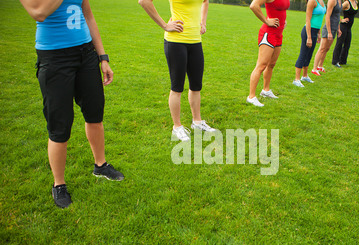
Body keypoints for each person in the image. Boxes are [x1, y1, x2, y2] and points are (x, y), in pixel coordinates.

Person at [19, 0, 124, 209]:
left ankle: (100, 165)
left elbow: (88, 15)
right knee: (60, 125)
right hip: (55, 58)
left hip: (86, 55)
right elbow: (38, 12)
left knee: (95, 114)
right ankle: (59, 184)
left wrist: (102, 56)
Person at [139, 0, 215, 142]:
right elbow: (144, 1)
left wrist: (203, 22)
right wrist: (165, 25)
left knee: (196, 86)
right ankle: (177, 127)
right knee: (177, 87)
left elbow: (205, 1)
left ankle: (197, 122)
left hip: (195, 42)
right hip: (176, 42)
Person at [247, 0, 290, 107]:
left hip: (278, 34)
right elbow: (253, 6)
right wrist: (267, 21)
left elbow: (281, 9)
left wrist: (284, 20)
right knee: (261, 66)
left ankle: (265, 90)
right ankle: (251, 97)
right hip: (268, 33)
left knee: (271, 64)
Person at [293, 0, 326, 87]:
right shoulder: (312, 1)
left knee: (309, 55)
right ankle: (296, 79)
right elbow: (308, 20)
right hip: (308, 31)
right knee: (303, 54)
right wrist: (309, 37)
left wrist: (319, 34)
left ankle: (304, 76)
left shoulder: (322, 1)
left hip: (315, 31)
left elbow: (320, 19)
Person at [311, 0, 343, 76]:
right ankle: (314, 69)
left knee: (327, 48)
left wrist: (338, 29)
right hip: (329, 28)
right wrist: (329, 32)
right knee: (322, 48)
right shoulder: (332, 1)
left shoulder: (340, 1)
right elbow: (327, 16)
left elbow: (338, 16)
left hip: (335, 28)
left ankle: (320, 66)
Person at [332, 0, 358, 67]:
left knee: (347, 44)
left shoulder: (355, 2)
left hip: (349, 28)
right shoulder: (347, 3)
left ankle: (342, 61)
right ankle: (335, 61)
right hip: (343, 27)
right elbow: (336, 11)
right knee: (339, 44)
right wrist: (341, 20)